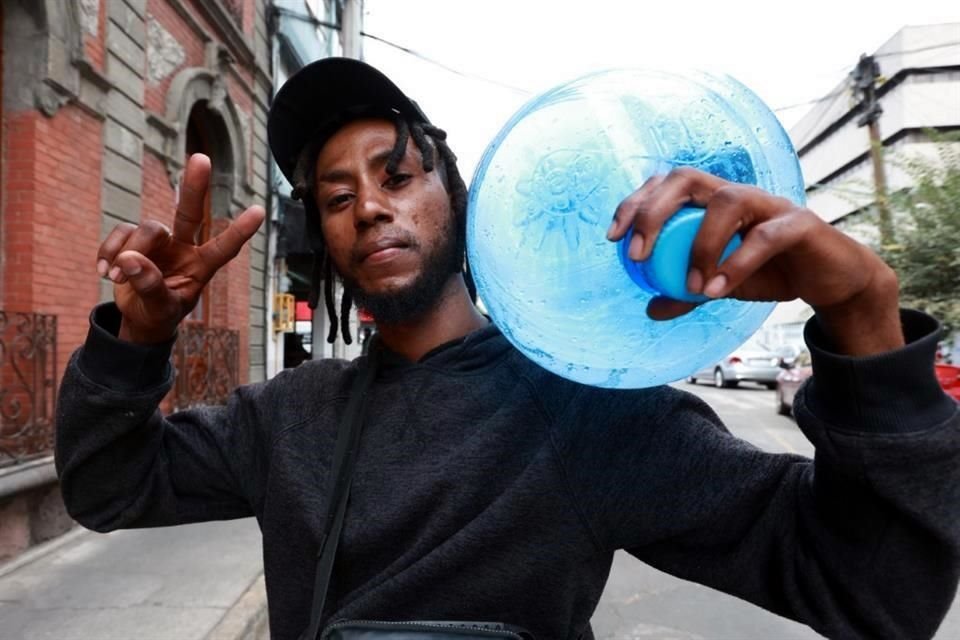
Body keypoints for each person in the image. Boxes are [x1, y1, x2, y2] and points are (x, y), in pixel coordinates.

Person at [55, 58, 960, 640]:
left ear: (454, 189)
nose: (370, 206)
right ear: (323, 242)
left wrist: (866, 316)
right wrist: (139, 338)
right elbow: (105, 486)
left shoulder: (584, 414)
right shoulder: (285, 417)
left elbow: (876, 590)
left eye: (396, 176)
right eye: (336, 199)